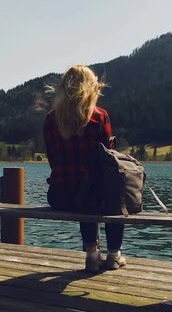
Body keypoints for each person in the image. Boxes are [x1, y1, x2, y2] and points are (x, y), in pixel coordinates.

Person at [43, 64, 126, 273]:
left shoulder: (51, 119)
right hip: (93, 195)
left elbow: (53, 160)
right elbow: (108, 160)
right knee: (113, 197)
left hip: (60, 195)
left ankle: (91, 254)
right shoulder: (99, 116)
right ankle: (114, 255)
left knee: (85, 195)